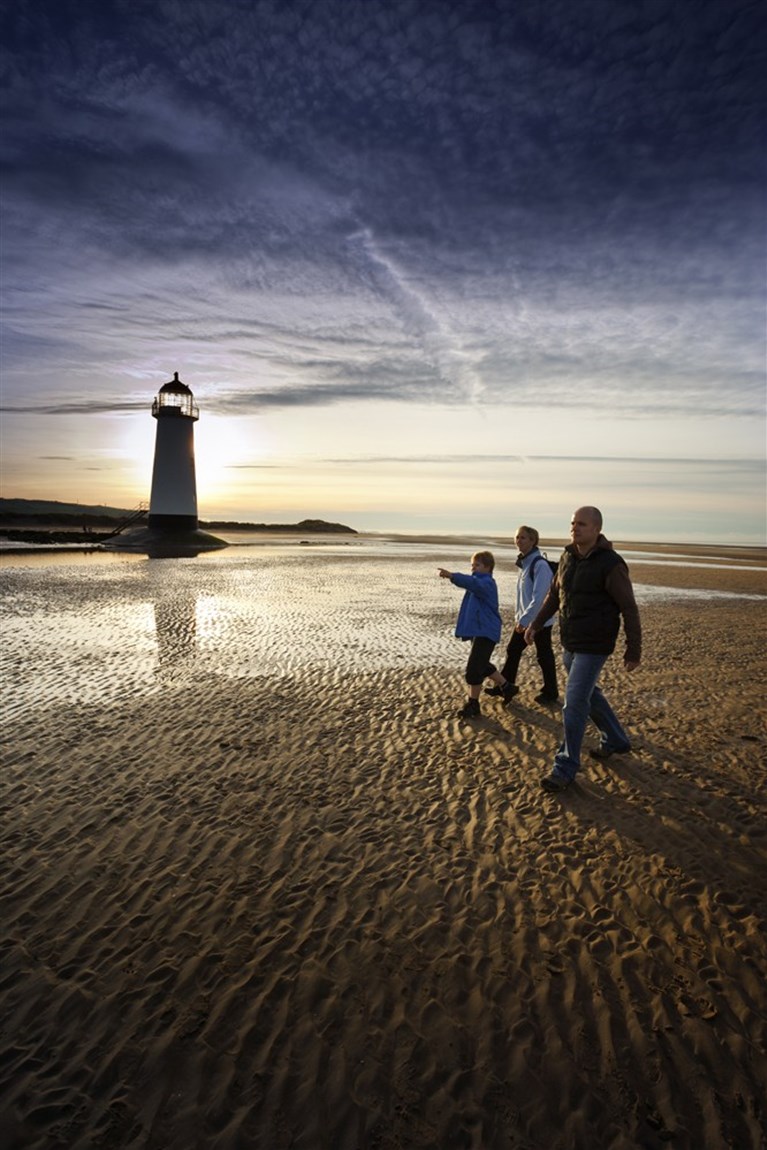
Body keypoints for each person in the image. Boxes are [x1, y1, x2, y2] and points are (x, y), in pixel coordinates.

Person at [524, 507, 641, 792]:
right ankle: (615, 739)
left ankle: (564, 767)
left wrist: (633, 649)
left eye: (582, 524)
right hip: (571, 641)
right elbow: (554, 595)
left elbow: (629, 607)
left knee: (574, 703)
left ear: (597, 529)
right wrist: (535, 624)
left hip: (595, 644)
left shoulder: (610, 564)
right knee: (590, 694)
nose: (575, 528)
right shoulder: (567, 558)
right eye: (573, 523)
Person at [486, 524, 559, 706]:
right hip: (525, 619)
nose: (518, 540)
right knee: (514, 650)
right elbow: (523, 597)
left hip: (540, 620)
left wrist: (526, 620)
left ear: (533, 541)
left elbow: (540, 597)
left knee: (543, 655)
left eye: (523, 537)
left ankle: (550, 692)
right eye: (517, 537)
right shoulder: (524, 564)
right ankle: (505, 686)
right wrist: (520, 618)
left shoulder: (539, 564)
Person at [437, 551, 514, 718]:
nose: (473, 569)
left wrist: (452, 576)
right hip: (478, 630)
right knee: (482, 663)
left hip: (486, 631)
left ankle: (473, 704)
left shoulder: (486, 583)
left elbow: (471, 583)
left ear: (488, 567)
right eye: (472, 565)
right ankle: (507, 687)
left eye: (477, 565)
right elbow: (471, 584)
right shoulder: (478, 581)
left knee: (473, 670)